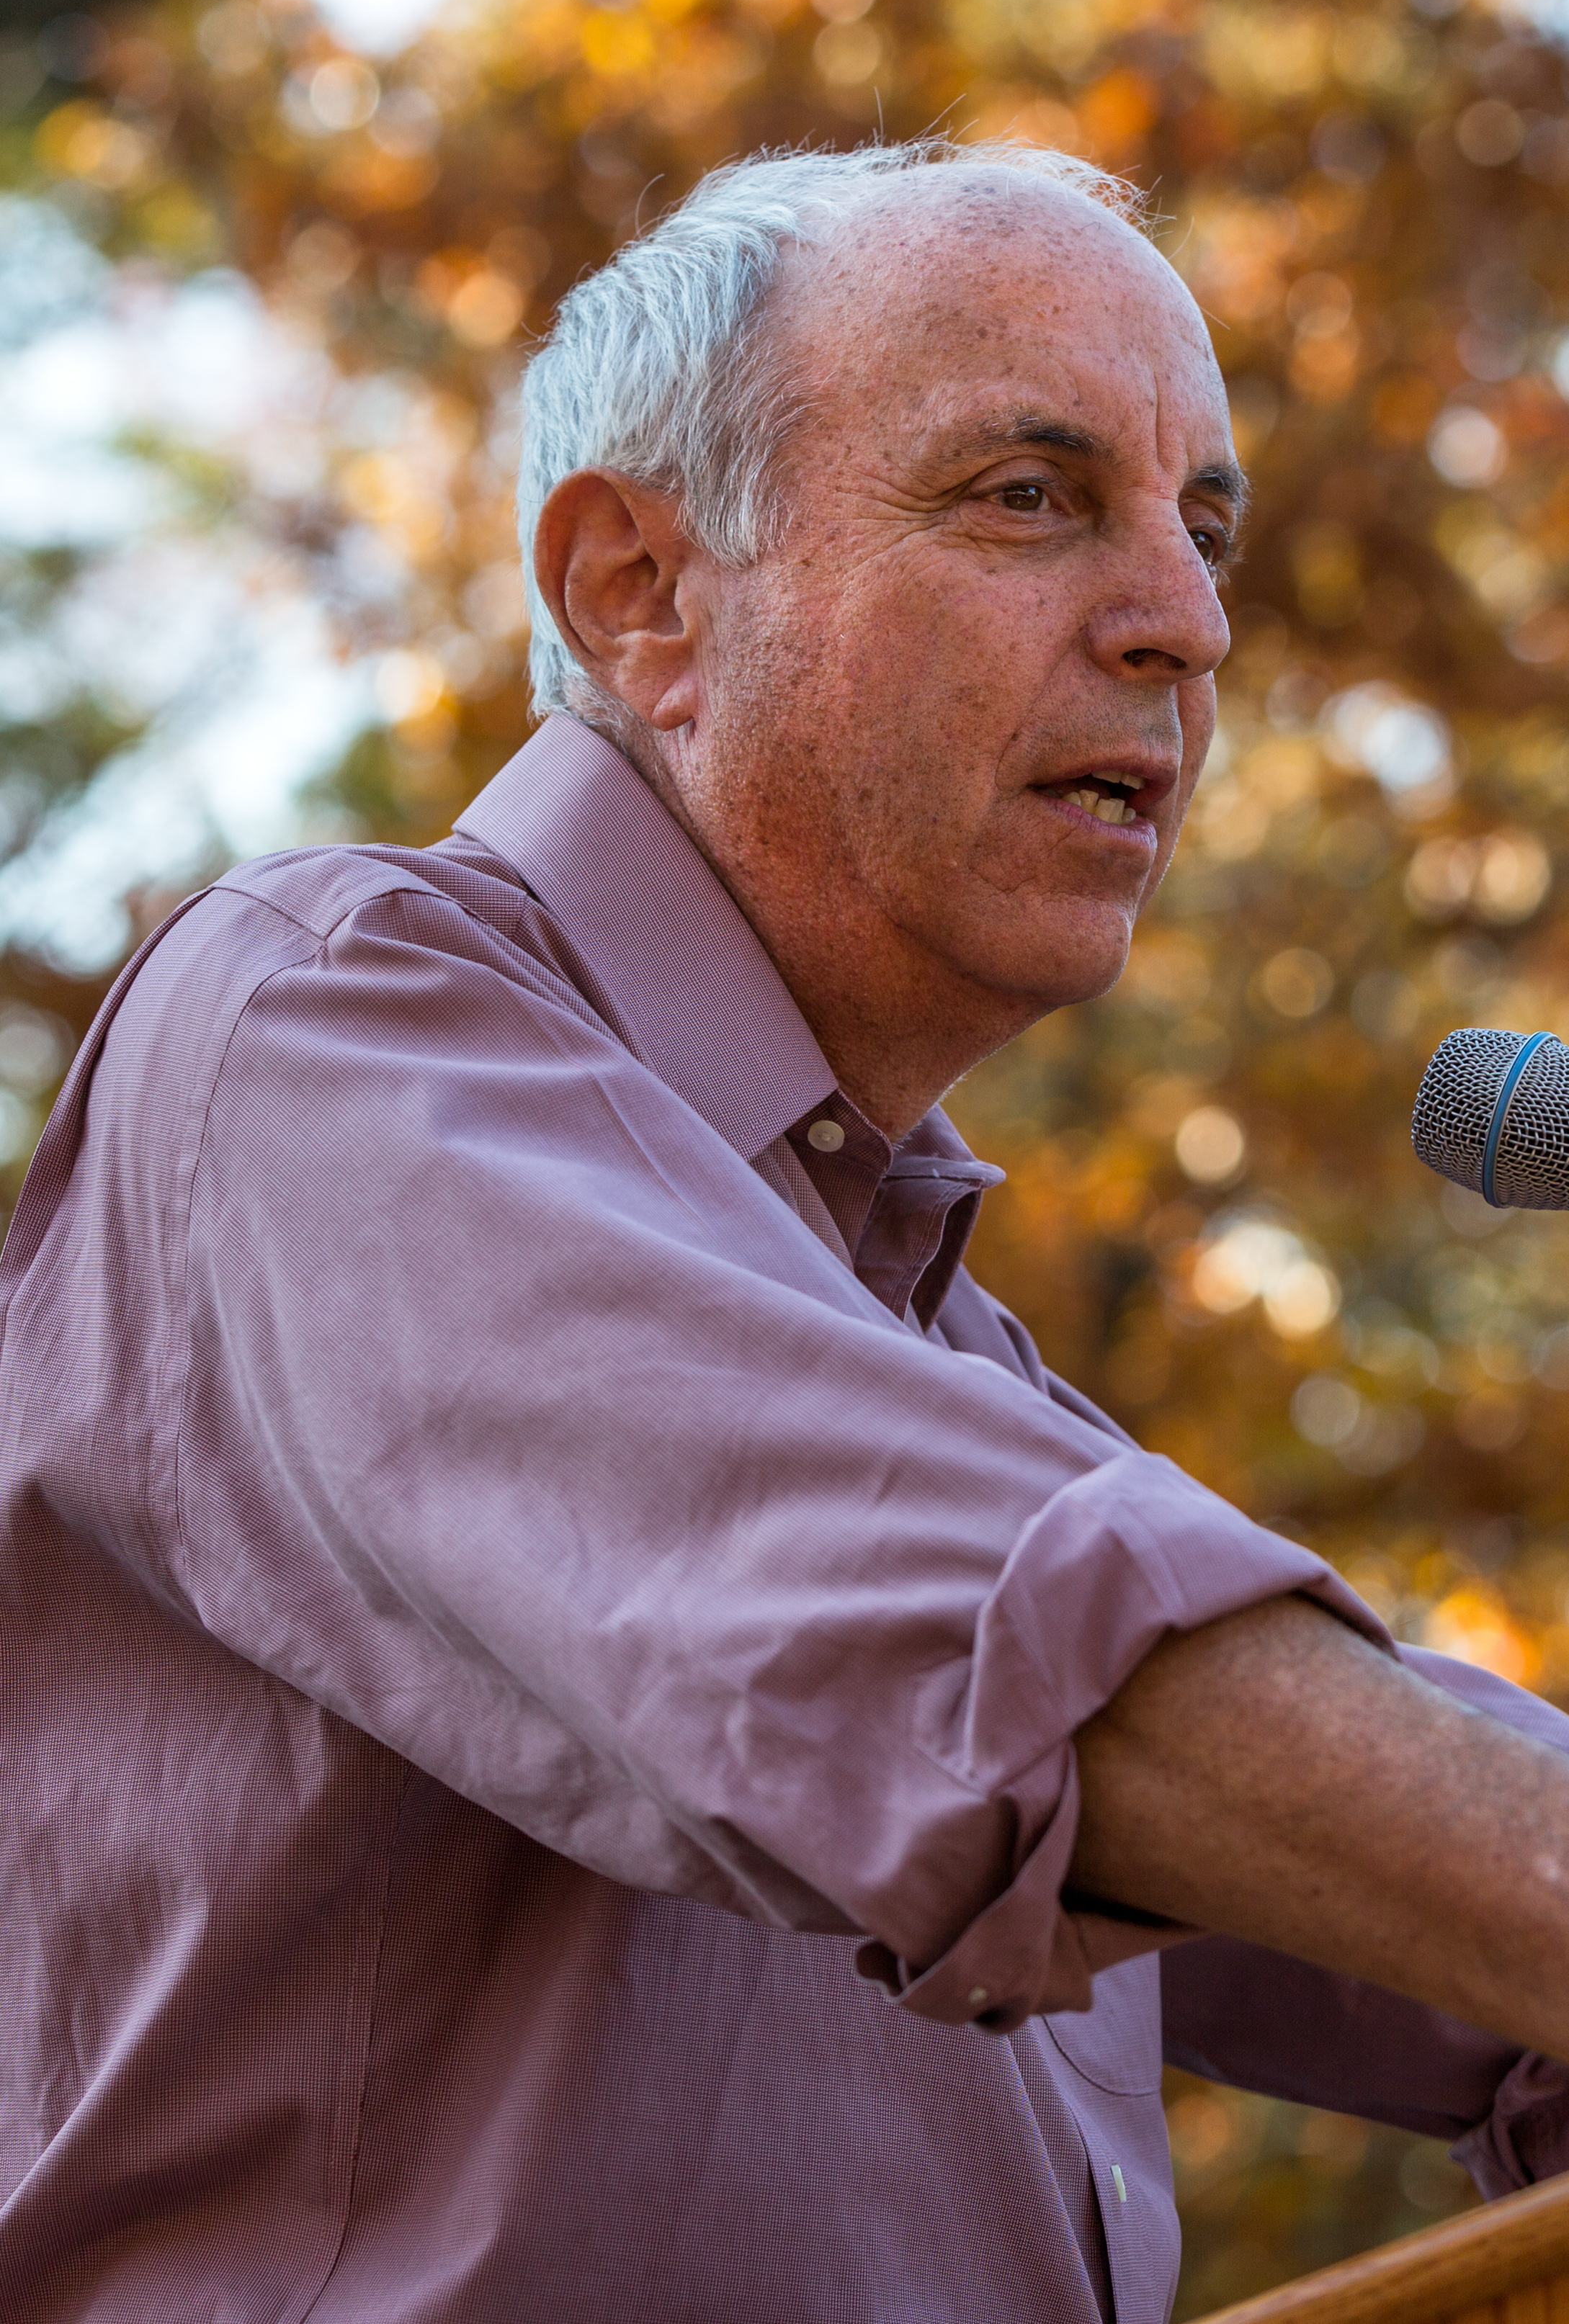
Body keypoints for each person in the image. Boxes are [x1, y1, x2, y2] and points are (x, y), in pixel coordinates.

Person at [4, 138, 1569, 2324]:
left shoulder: (958, 1382)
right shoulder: (314, 1023)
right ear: (641, 590)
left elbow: (1456, 1912)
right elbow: (961, 1620)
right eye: (1027, 496)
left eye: (1201, 530)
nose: (1185, 621)